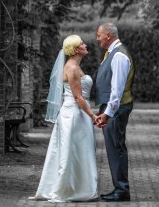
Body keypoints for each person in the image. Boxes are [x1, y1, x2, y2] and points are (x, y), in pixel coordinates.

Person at [29, 35, 98, 202]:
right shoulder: (72, 68)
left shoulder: (75, 66)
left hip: (78, 113)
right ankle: (67, 190)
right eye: (81, 43)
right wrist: (93, 115)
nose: (85, 44)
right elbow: (78, 98)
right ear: (75, 49)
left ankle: (80, 188)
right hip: (73, 114)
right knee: (70, 151)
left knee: (80, 150)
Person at [95, 22, 135, 202]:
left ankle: (122, 190)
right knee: (113, 148)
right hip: (113, 109)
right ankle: (120, 188)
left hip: (116, 109)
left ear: (108, 35)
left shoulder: (118, 55)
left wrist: (108, 112)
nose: (97, 39)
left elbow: (116, 90)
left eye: (99, 35)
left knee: (116, 148)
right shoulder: (113, 53)